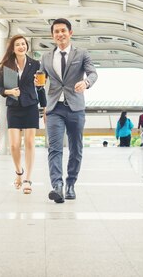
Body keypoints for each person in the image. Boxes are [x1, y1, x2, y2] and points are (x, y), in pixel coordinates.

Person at [38, 18, 97, 203]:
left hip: (75, 107)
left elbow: (93, 73)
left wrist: (86, 83)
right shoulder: (46, 57)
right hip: (54, 107)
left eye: (63, 30)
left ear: (70, 33)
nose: (60, 34)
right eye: (56, 31)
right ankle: (57, 185)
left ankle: (71, 183)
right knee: (54, 149)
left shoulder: (82, 54)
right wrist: (38, 88)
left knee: (76, 148)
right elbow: (40, 80)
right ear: (52, 35)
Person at [0, 35, 47, 195]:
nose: (21, 46)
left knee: (30, 143)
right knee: (14, 145)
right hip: (14, 108)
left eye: (23, 44)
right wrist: (9, 91)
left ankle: (28, 179)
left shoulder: (35, 64)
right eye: (18, 44)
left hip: (31, 106)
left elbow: (40, 87)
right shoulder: (7, 66)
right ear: (13, 48)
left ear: (27, 46)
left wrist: (44, 107)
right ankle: (19, 172)